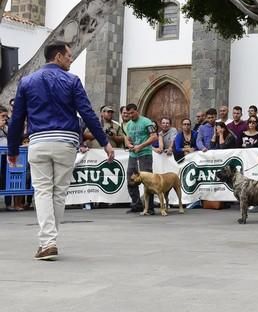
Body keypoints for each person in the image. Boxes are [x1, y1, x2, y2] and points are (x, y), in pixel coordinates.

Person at [7, 41, 114, 260]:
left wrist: (12, 149)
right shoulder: (72, 81)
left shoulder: (27, 81)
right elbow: (87, 113)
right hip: (66, 141)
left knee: (43, 191)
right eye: (69, 56)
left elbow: (17, 117)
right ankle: (49, 240)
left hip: (38, 140)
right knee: (59, 193)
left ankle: (48, 241)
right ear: (57, 57)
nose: (71, 60)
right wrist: (105, 142)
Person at [124, 103, 157, 214]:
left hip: (145, 153)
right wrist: (129, 144)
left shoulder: (146, 122)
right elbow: (127, 138)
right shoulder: (128, 125)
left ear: (137, 111)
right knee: (131, 179)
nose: (130, 115)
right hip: (133, 154)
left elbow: (154, 137)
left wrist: (140, 146)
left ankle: (150, 208)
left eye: (132, 113)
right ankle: (136, 205)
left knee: (148, 181)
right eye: (128, 114)